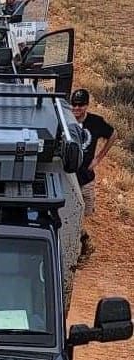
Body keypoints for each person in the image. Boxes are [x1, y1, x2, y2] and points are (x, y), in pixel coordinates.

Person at [71, 89, 116, 252]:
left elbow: (113, 134)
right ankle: (76, 247)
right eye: (74, 104)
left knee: (87, 215)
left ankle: (83, 245)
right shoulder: (65, 121)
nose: (76, 108)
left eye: (80, 105)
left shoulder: (95, 122)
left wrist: (99, 158)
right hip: (69, 178)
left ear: (87, 105)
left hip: (86, 179)